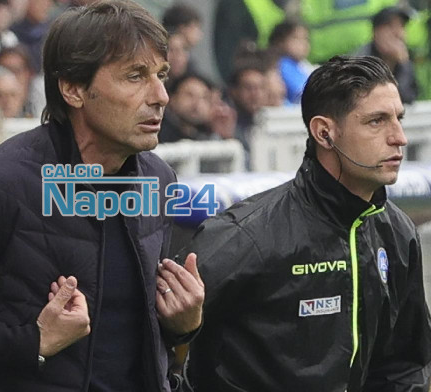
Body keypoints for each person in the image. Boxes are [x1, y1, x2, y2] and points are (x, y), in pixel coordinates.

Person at [0, 0, 204, 392]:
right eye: (135, 76)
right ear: (73, 89)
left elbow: (124, 336)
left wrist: (180, 326)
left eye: (161, 75)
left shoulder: (158, 180)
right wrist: (31, 343)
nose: (160, 95)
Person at [184, 55, 431, 391]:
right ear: (324, 133)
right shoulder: (247, 234)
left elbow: (404, 366)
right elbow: (155, 336)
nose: (399, 137)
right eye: (377, 121)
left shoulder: (398, 233)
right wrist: (180, 329)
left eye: (398, 119)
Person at [355, 6, 418, 104]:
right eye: (390, 26)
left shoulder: (406, 58)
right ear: (375, 32)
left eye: (401, 25)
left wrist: (404, 64)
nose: (398, 33)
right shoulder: (360, 62)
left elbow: (408, 97)